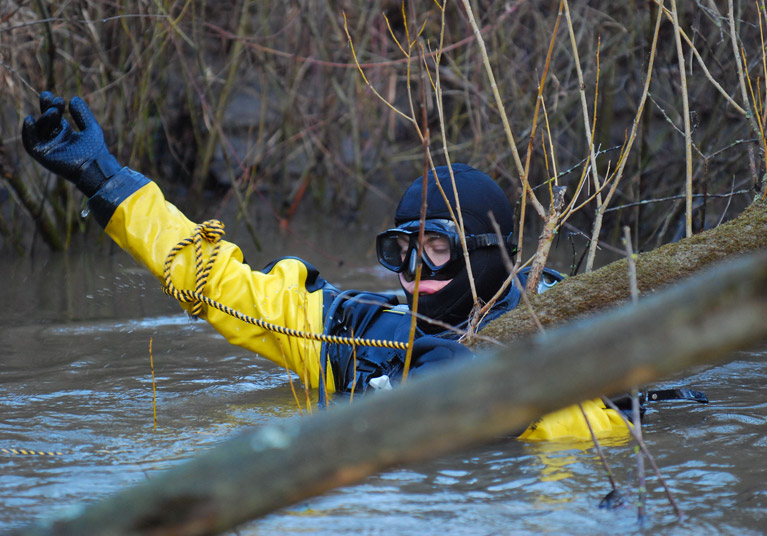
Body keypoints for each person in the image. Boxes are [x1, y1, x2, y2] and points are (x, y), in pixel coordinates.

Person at [21, 91, 629, 439]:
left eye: (437, 250)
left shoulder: (565, 324)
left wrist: (489, 394)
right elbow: (219, 283)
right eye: (402, 250)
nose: (415, 271)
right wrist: (104, 180)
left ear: (487, 254)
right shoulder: (356, 334)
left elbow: (608, 434)